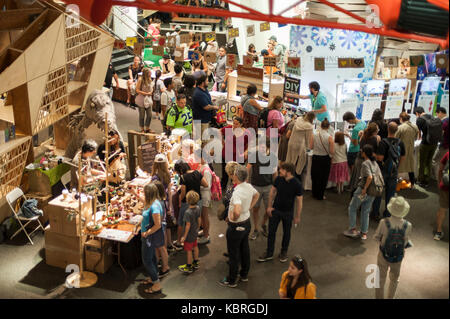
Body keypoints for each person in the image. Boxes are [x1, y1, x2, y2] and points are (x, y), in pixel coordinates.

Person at [219, 165, 259, 288]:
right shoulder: (249, 186)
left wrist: (233, 217)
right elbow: (256, 195)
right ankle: (244, 274)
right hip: (246, 223)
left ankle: (232, 279)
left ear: (236, 176)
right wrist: (249, 208)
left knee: (234, 253)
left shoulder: (237, 192)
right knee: (244, 248)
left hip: (236, 227)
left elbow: (236, 211)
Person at [258, 162, 303, 263]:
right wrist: (269, 206)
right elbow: (272, 191)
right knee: (271, 232)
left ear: (289, 172)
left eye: (282, 169)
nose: (279, 171)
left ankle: (284, 252)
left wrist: (297, 216)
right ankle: (269, 253)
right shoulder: (278, 179)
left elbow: (300, 202)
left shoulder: (297, 184)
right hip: (276, 210)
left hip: (288, 213)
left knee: (287, 233)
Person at [374, 196, 413, 299]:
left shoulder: (384, 222)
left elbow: (376, 237)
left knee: (380, 279)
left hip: (383, 254)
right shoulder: (408, 225)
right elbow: (406, 240)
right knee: (395, 279)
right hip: (398, 257)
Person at [344, 145, 381, 240]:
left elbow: (369, 177)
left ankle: (352, 229)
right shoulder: (375, 163)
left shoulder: (365, 163)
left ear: (364, 153)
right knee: (366, 211)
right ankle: (364, 233)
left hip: (363, 191)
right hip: (373, 192)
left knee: (352, 207)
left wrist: (364, 188)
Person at [247, 137, 278, 240]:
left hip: (268, 186)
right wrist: (246, 182)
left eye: (263, 147)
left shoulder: (273, 157)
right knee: (255, 208)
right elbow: (248, 168)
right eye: (260, 146)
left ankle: (263, 224)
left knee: (269, 209)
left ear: (268, 147)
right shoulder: (254, 155)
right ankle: (256, 229)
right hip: (255, 186)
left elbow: (275, 173)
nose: (260, 148)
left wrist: (276, 186)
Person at [173, 160, 208, 250]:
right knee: (195, 222)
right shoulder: (197, 173)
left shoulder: (183, 178)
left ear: (180, 170)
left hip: (187, 203)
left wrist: (179, 201)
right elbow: (206, 184)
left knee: (181, 222)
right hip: (198, 201)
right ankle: (193, 241)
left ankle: (179, 241)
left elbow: (183, 193)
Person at [373, 122, 406, 219]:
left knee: (378, 192)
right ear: (397, 130)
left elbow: (380, 158)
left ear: (388, 129)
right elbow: (403, 156)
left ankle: (375, 213)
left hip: (382, 171)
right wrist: (397, 167)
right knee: (391, 195)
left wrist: (374, 154)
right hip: (394, 171)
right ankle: (388, 213)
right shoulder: (400, 142)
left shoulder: (383, 142)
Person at [140, 183, 163, 294]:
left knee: (147, 260)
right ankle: (154, 277)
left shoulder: (154, 206)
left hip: (149, 237)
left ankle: (156, 284)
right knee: (152, 257)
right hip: (150, 236)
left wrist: (146, 233)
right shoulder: (153, 202)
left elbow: (157, 224)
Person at [151, 154, 175, 253]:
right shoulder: (167, 174)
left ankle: (164, 251)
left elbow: (153, 193)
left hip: (159, 204)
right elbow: (169, 192)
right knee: (167, 225)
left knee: (162, 228)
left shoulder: (154, 177)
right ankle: (169, 245)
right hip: (166, 202)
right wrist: (170, 206)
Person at [220, 116, 249, 190]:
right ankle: (222, 188)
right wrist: (222, 142)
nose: (234, 126)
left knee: (237, 174)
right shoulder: (229, 128)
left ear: (241, 124)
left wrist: (246, 151)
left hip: (239, 157)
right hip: (227, 155)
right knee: (225, 173)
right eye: (234, 123)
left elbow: (250, 144)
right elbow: (219, 131)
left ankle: (236, 188)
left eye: (236, 124)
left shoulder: (246, 133)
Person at [415, 106, 441, 187]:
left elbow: (418, 132)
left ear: (417, 113)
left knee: (422, 162)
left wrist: (419, 138)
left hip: (425, 143)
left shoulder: (419, 119)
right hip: (434, 142)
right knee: (429, 161)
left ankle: (420, 180)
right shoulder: (432, 116)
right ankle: (427, 180)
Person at [285, 112, 315, 181]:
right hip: (300, 145)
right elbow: (308, 140)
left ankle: (287, 177)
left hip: (291, 142)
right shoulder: (309, 126)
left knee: (289, 159)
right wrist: (309, 151)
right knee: (299, 163)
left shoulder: (298, 120)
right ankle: (295, 178)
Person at [309, 118, 334, 200]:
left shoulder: (314, 135)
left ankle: (314, 193)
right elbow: (331, 151)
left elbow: (311, 147)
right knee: (323, 177)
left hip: (316, 157)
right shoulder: (330, 137)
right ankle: (320, 195)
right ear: (328, 127)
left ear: (321, 126)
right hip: (325, 159)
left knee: (315, 176)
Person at [178, 190, 201, 274]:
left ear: (187, 200)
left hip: (189, 235)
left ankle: (188, 266)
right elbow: (199, 219)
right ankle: (196, 262)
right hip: (194, 232)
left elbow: (187, 225)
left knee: (188, 250)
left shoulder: (187, 212)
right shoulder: (198, 208)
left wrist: (184, 236)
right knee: (195, 246)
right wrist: (198, 228)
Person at [396, 112, 419, 188]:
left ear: (401, 118)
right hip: (410, 150)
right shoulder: (415, 127)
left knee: (397, 167)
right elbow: (416, 138)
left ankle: (394, 184)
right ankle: (412, 184)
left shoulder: (400, 128)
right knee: (410, 167)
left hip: (401, 150)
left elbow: (395, 139)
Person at [153, 181, 170, 278]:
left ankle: (165, 267)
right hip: (161, 225)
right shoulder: (160, 199)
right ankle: (159, 262)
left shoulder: (157, 202)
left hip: (160, 227)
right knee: (159, 247)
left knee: (161, 247)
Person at [197, 152, 212, 245]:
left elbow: (208, 186)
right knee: (202, 215)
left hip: (205, 195)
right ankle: (204, 231)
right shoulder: (202, 166)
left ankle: (206, 236)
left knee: (205, 216)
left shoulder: (206, 170)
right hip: (202, 195)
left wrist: (197, 185)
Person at [434, 151, 449, 240]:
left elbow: (440, 169)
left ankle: (438, 232)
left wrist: (440, 182)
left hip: (445, 185)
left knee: (442, 209)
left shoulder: (448, 153)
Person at [135, 68, 154, 133]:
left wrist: (151, 91)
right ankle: (142, 129)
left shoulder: (150, 79)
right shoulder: (140, 80)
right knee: (142, 115)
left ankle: (147, 128)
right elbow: (137, 90)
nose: (151, 74)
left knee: (149, 115)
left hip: (148, 100)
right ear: (146, 73)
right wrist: (146, 93)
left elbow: (151, 88)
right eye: (150, 73)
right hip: (141, 100)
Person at [432, 107, 448, 182]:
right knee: (444, 161)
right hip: (447, 145)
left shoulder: (444, 122)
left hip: (444, 145)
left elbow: (441, 133)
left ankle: (437, 177)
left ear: (441, 112)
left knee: (435, 160)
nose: (437, 116)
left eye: (437, 114)